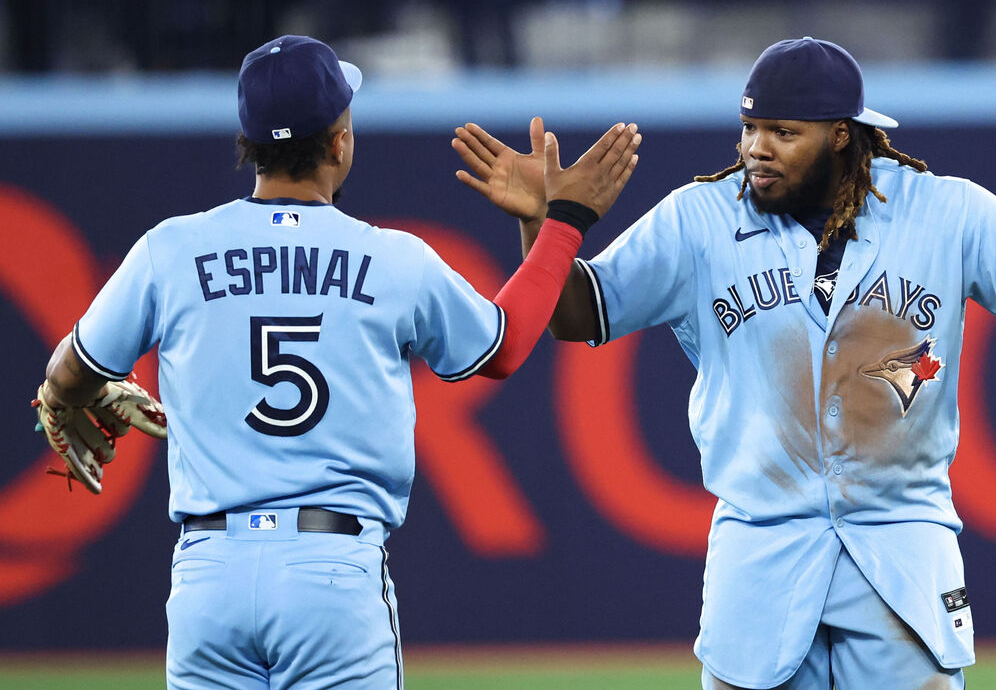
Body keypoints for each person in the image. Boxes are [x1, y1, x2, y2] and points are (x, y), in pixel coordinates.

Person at [453, 36, 996, 689]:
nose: (756, 148)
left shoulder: (947, 212)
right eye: (750, 128)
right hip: (759, 551)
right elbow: (574, 314)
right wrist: (543, 225)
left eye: (782, 132)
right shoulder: (699, 218)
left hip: (902, 551)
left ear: (841, 136)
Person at [36, 34, 640, 689]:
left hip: (210, 576)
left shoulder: (171, 249)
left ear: (248, 142)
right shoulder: (391, 258)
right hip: (331, 574)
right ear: (339, 141)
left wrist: (63, 396)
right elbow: (505, 345)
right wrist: (563, 221)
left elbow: (71, 371)